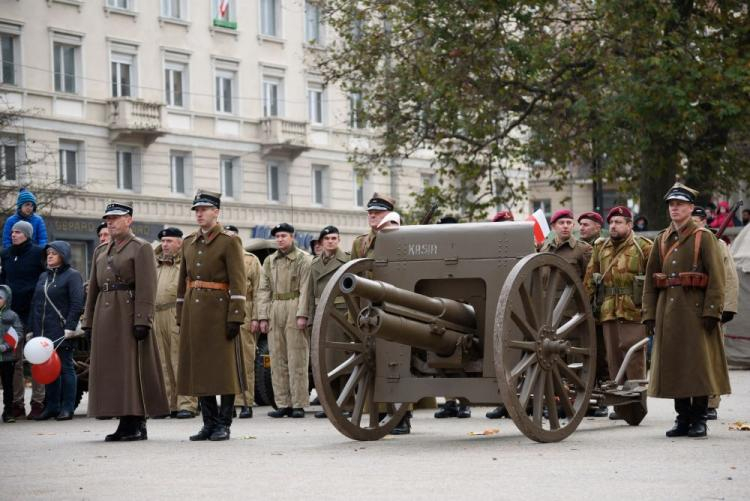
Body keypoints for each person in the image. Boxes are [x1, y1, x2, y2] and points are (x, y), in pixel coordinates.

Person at [642, 183, 730, 438]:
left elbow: (717, 277)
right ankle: (682, 418)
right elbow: (650, 281)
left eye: (680, 204)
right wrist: (649, 313)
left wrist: (712, 311)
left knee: (699, 366)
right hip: (667, 312)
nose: (675, 209)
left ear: (691, 208)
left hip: (696, 311)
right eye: (671, 204)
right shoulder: (661, 239)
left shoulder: (704, 237)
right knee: (675, 365)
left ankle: (699, 418)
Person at [82, 201, 168, 441]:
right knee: (112, 370)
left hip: (128, 313)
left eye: (116, 218)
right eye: (108, 218)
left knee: (131, 369)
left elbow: (147, 287)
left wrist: (143, 319)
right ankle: (122, 419)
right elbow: (93, 290)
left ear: (129, 220)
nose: (110, 222)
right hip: (104, 314)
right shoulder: (101, 251)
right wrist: (88, 321)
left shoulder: (140, 248)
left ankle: (136, 422)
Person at [176, 191, 247, 441]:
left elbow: (239, 281)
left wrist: (235, 316)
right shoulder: (188, 242)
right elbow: (183, 280)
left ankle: (223, 424)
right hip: (194, 312)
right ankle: (208, 422)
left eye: (204, 209)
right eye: (196, 210)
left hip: (220, 312)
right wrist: (180, 313)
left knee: (224, 371)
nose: (199, 213)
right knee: (200, 369)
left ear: (216, 211)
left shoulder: (229, 241)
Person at [584, 206, 652, 419]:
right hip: (608, 311)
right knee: (613, 359)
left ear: (629, 225)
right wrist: (586, 309)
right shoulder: (600, 247)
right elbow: (590, 279)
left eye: (619, 222)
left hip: (634, 310)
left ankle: (637, 405)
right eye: (611, 222)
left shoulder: (644, 247)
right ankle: (621, 407)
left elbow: (653, 282)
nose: (613, 226)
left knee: (634, 359)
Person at [258, 223, 312, 419]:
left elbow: (307, 287)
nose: (280, 239)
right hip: (275, 306)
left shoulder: (303, 259)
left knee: (297, 357)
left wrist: (302, 313)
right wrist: (262, 316)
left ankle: (299, 403)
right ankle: (283, 403)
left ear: (292, 237)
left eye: (284, 235)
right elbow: (263, 290)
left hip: (294, 304)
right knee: (277, 357)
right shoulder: (270, 261)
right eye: (277, 236)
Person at [691, 207, 738, 420]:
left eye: (696, 220)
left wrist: (727, 308)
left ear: (703, 221)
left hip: (713, 307)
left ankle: (711, 402)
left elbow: (728, 277)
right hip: (690, 309)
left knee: (712, 357)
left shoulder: (717, 245)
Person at [29, 241, 84, 421]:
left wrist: (70, 326)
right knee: (49, 369)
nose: (49, 256)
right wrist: (31, 329)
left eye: (54, 253)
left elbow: (77, 303)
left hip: (62, 331)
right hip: (42, 332)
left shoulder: (72, 275)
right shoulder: (43, 276)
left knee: (66, 367)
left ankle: (67, 408)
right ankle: (52, 406)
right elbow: (36, 304)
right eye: (48, 253)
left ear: (63, 255)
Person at [0, 220, 45, 420]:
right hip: (11, 317)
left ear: (27, 234)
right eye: (12, 231)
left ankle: (38, 403)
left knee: (36, 358)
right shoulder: (6, 255)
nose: (13, 234)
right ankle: (16, 404)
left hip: (33, 314)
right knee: (14, 361)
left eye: (17, 232)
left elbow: (44, 279)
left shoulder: (37, 253)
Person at [153, 227, 198, 420]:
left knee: (179, 359)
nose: (165, 245)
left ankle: (187, 404)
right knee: (162, 362)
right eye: (163, 241)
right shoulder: (156, 264)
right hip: (157, 314)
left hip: (177, 312)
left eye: (169, 241)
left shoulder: (186, 262)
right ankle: (169, 403)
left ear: (180, 243)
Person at [309, 225, 350, 419]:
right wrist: (310, 318)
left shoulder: (347, 261)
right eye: (327, 239)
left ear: (339, 240)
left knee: (341, 360)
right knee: (325, 362)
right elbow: (309, 293)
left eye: (334, 238)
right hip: (321, 314)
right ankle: (331, 404)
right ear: (321, 242)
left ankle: (346, 403)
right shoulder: (315, 264)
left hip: (341, 314)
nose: (331, 241)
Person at [433, 215, 472, 419]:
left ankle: (464, 402)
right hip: (438, 302)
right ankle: (449, 402)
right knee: (438, 352)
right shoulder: (435, 250)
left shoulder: (465, 249)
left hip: (462, 305)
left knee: (461, 355)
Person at [223, 224, 262, 420]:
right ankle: (228, 404)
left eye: (233, 235)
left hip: (245, 310)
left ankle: (246, 402)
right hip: (222, 311)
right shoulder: (219, 256)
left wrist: (256, 317)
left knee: (245, 360)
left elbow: (259, 290)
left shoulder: (250, 260)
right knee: (224, 361)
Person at [541, 209, 593, 279]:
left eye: (569, 223)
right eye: (561, 223)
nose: (565, 226)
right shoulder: (545, 250)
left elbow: (589, 281)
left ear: (573, 225)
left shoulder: (584, 249)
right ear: (553, 227)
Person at [0, 285, 23, 423]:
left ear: (7, 299)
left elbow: (19, 333)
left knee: (8, 386)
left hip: (7, 357)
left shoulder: (12, 316)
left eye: (0, 298)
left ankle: (8, 411)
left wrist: (6, 346)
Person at [351, 193, 397, 259]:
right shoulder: (359, 243)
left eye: (378, 212)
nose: (372, 215)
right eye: (370, 212)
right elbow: (354, 268)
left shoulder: (401, 238)